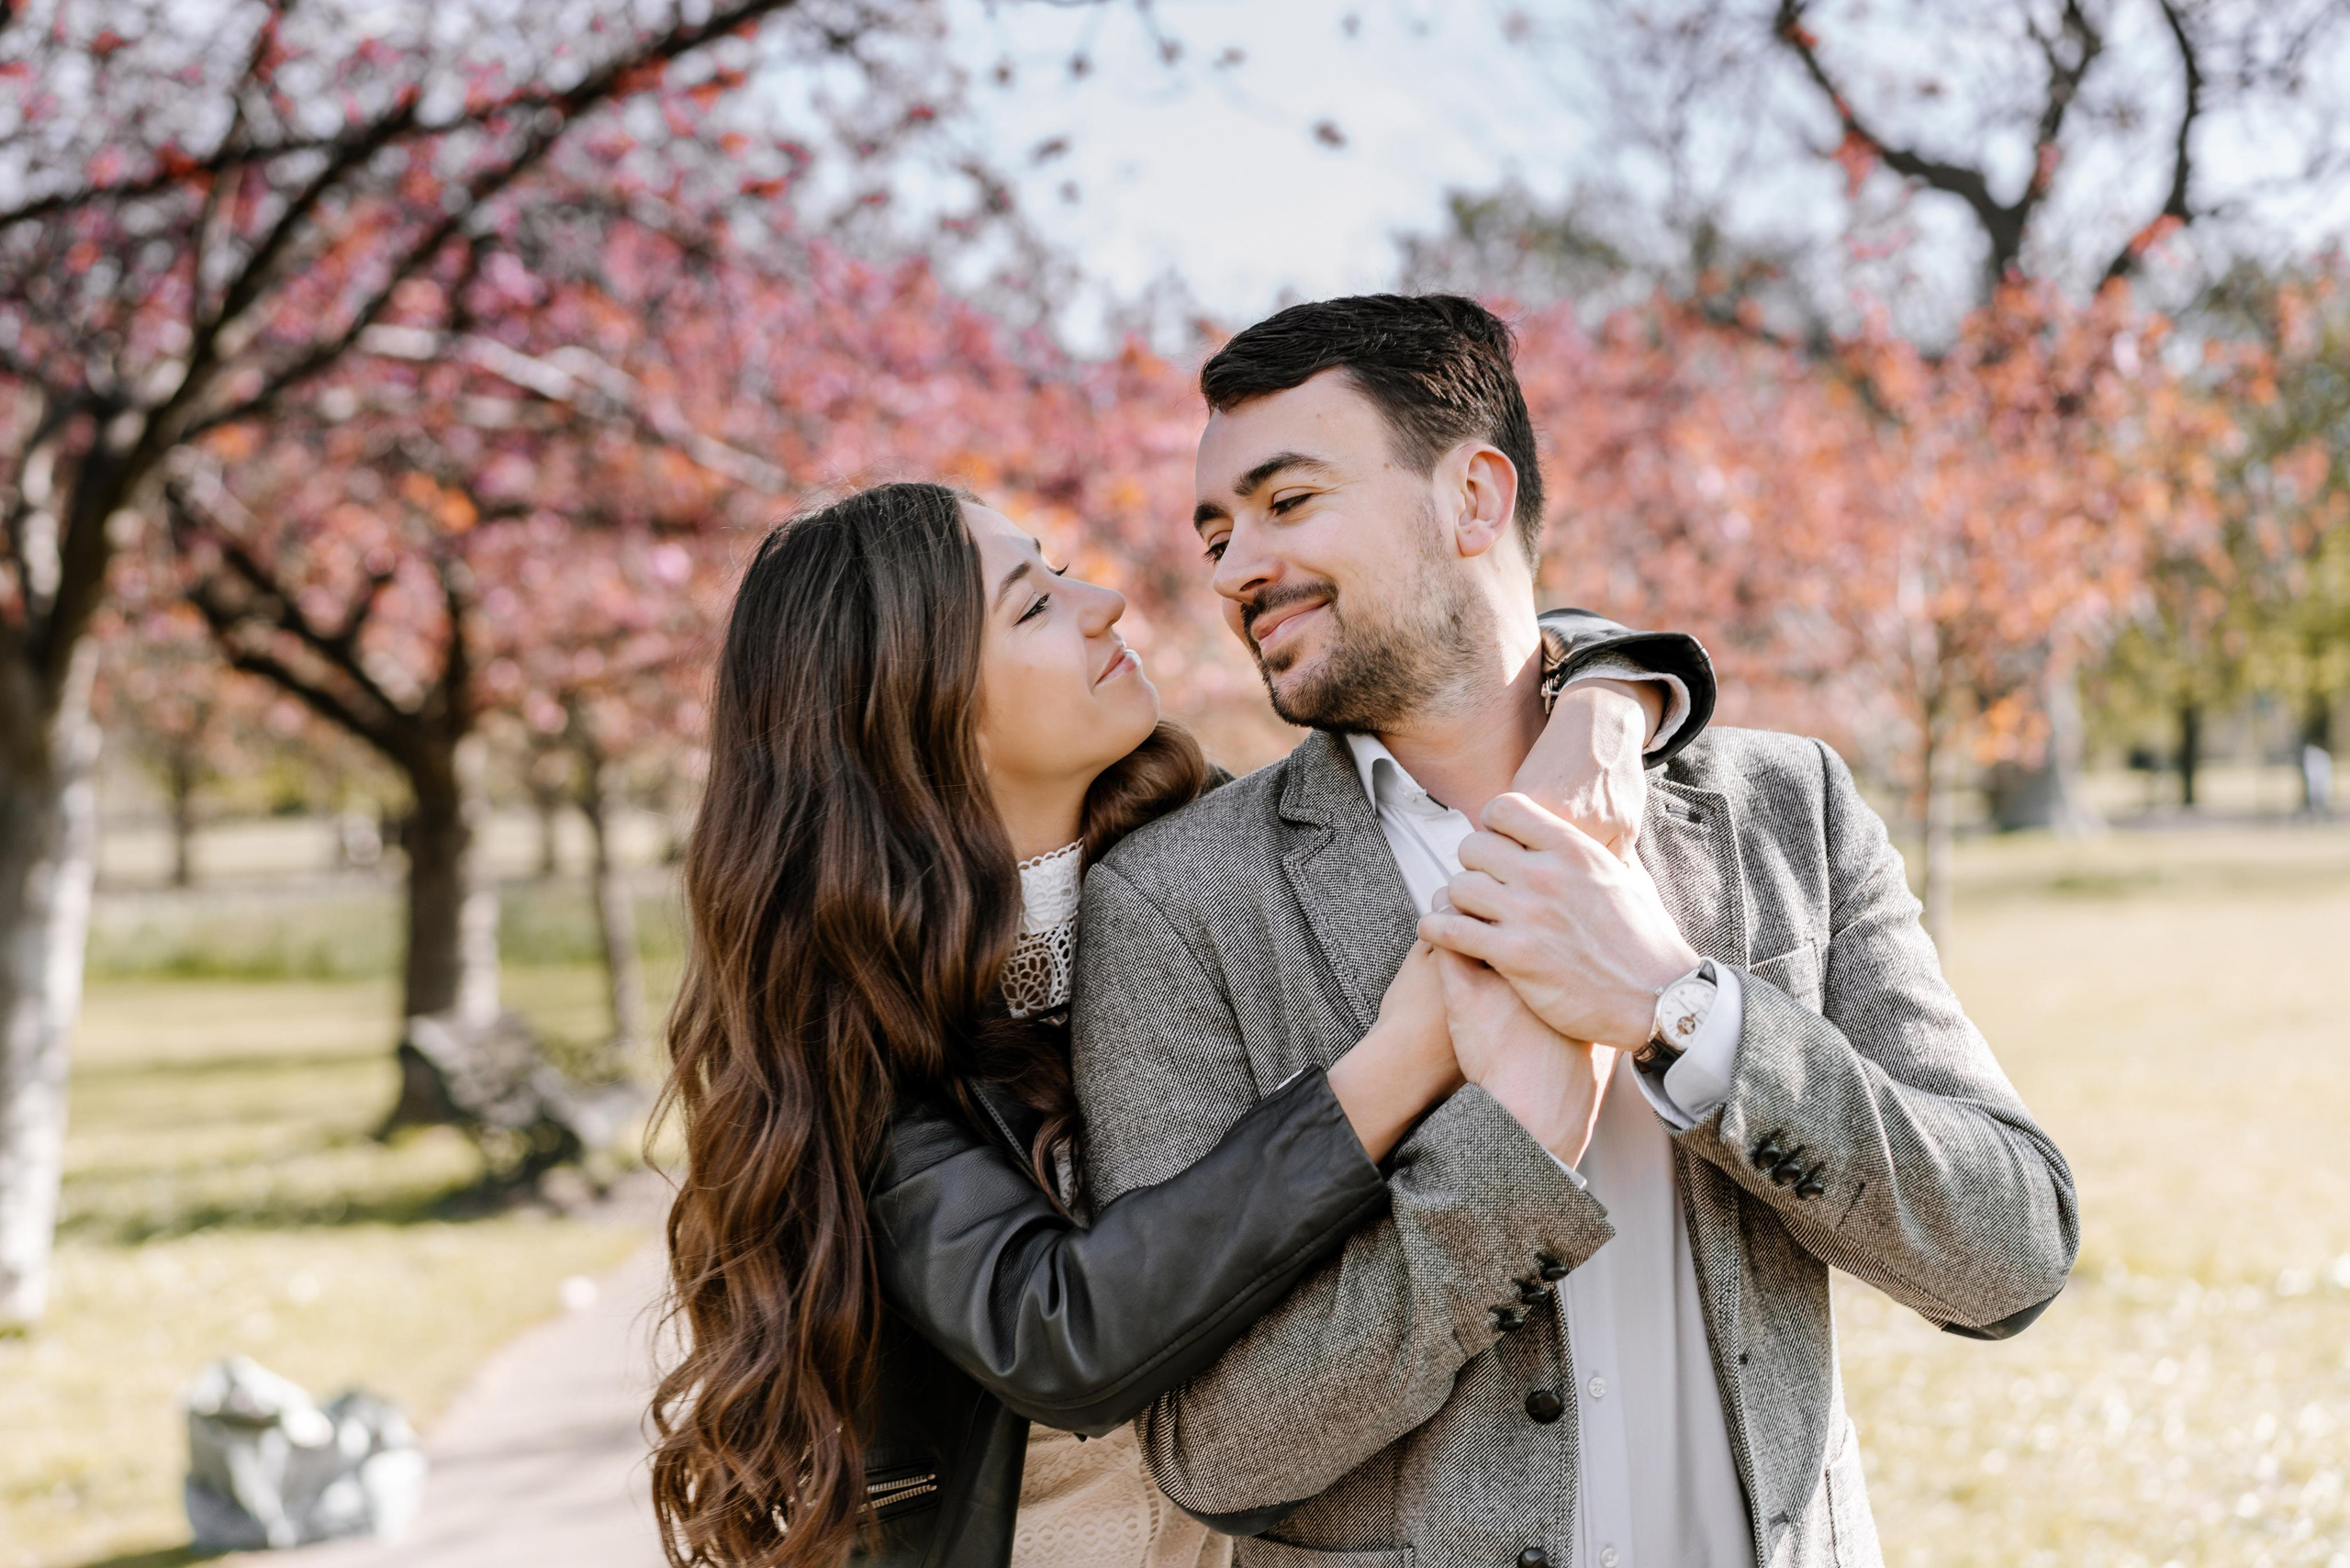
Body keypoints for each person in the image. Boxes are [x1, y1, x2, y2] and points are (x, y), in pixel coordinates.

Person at [1071, 294, 2081, 1568]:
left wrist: (1690, 1015)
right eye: (1216, 528)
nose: (1231, 566)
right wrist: (1504, 1170)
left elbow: (2013, 1253)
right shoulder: (1178, 906)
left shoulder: (1790, 808)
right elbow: (1216, 1451)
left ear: (1476, 500)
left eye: (1287, 501)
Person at [644, 479, 1718, 1568]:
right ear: (915, 717)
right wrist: (1398, 1059)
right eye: (1032, 605)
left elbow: (1480, 638)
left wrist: (1603, 700)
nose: (1103, 598)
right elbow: (1058, 1329)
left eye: (1058, 566)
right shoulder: (851, 1025)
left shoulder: (1194, 869)